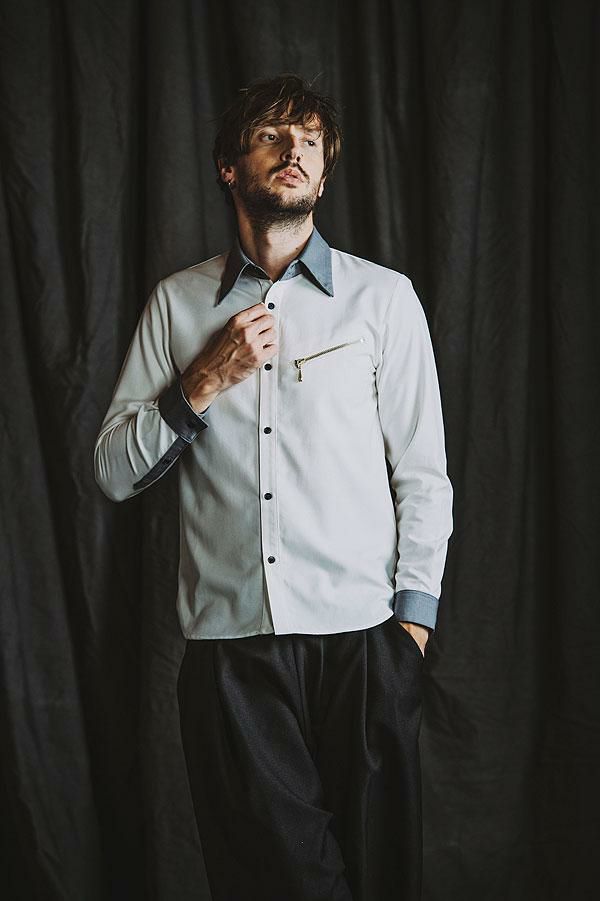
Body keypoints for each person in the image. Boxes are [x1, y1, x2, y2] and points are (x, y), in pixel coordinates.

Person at [94, 72, 453, 901]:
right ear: (229, 165)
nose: (295, 151)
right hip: (231, 661)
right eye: (271, 136)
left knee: (380, 878)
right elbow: (112, 472)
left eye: (311, 141)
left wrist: (411, 629)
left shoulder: (383, 300)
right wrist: (202, 381)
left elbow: (423, 476)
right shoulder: (176, 305)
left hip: (366, 647)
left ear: (324, 173)